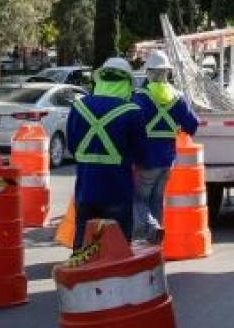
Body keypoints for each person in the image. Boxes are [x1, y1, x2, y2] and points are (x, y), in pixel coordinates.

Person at [65, 56, 144, 250]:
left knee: (83, 246)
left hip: (86, 190)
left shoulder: (79, 107)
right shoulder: (132, 111)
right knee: (118, 250)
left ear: (100, 80)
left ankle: (81, 277)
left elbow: (73, 147)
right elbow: (140, 153)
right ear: (127, 84)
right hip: (118, 190)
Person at [132, 49, 199, 245]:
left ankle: (151, 230)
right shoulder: (177, 97)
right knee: (156, 201)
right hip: (167, 160)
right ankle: (155, 245)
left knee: (139, 200)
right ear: (167, 73)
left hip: (146, 159)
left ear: (149, 72)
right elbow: (193, 125)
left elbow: (131, 125)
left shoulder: (140, 97)